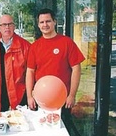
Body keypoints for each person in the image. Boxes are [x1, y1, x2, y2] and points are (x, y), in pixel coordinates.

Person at [26, 8, 85, 136]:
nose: (45, 25)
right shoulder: (35, 46)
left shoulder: (66, 42)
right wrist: (30, 96)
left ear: (54, 22)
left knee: (62, 131)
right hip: (41, 100)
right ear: (38, 24)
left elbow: (76, 68)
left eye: (48, 21)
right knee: (42, 130)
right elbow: (30, 72)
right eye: (41, 22)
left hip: (62, 100)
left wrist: (72, 95)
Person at [0, 14, 30, 112]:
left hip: (20, 95)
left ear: (14, 26)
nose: (7, 27)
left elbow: (30, 73)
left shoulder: (25, 47)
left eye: (10, 24)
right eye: (4, 24)